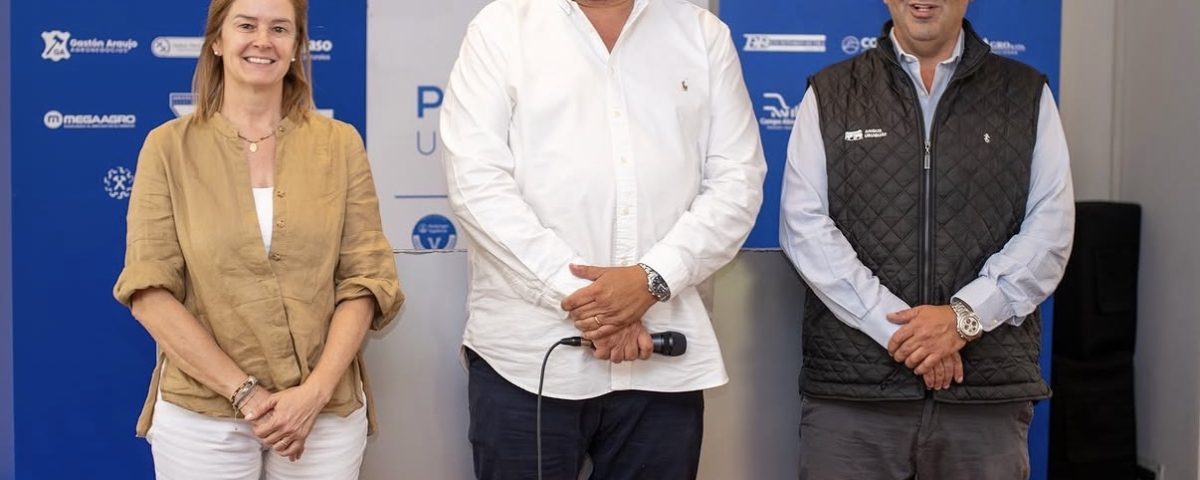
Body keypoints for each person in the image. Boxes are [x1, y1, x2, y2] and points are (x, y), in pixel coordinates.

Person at [440, 0, 766, 477]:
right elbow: (476, 185)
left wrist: (651, 280)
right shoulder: (501, 27)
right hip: (530, 360)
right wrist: (598, 304)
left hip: (662, 358)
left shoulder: (702, 34)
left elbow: (738, 183)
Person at [779, 1, 1074, 478]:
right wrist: (902, 333)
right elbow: (803, 226)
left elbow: (1050, 229)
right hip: (855, 399)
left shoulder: (1025, 93)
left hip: (982, 400)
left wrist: (964, 318)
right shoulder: (831, 92)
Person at [112, 0, 402, 477]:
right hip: (202, 417)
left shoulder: (340, 144)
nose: (263, 41)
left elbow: (366, 280)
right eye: (246, 25)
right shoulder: (167, 148)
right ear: (217, 41)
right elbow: (148, 292)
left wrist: (313, 394)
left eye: (280, 29)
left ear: (297, 46)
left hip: (321, 415)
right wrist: (245, 393)